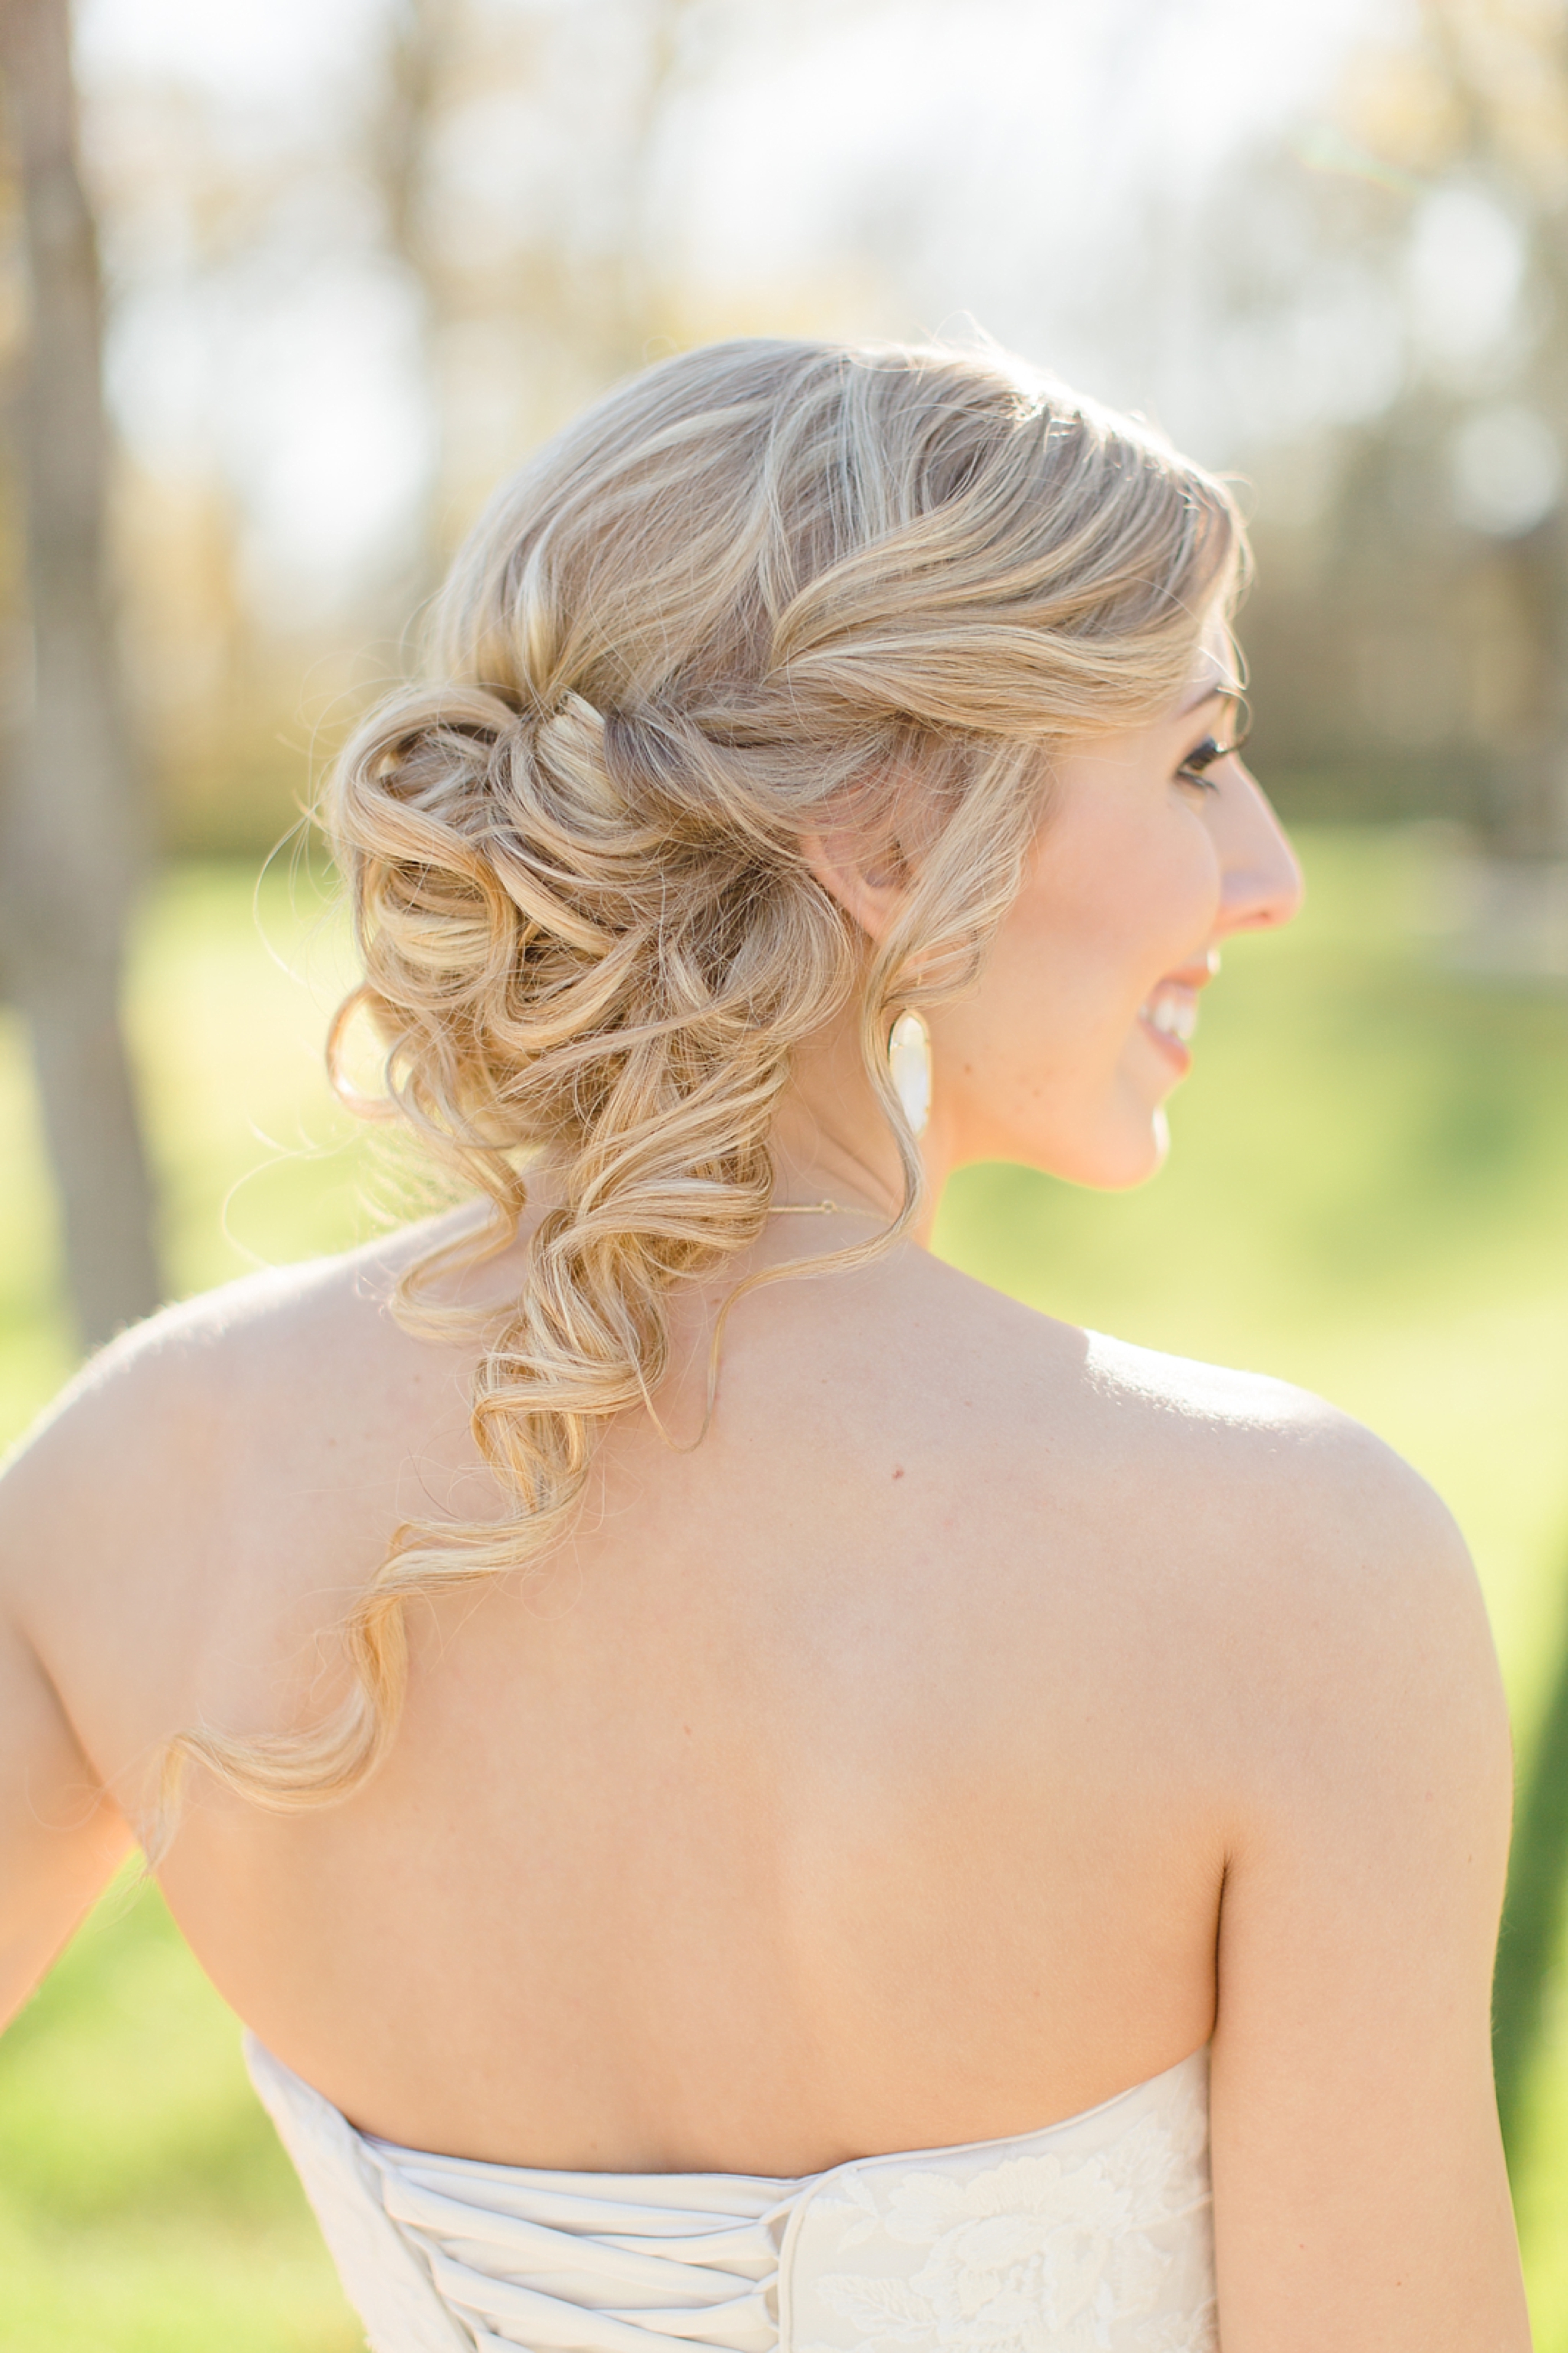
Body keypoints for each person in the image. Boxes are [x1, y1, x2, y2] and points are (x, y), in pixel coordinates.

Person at [0, 338, 1530, 2352]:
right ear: (886, 832)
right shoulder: (1299, 1571)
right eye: (1191, 758)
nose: (1270, 874)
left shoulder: (136, 1477)